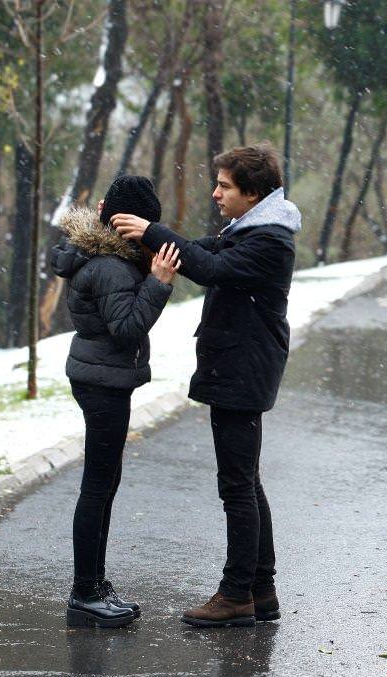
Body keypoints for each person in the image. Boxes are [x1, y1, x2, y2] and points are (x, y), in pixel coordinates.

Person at [112, 144, 299, 628]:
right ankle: (262, 590)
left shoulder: (268, 240)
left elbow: (209, 268)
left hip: (243, 369)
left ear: (253, 193)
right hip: (238, 366)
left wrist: (151, 230)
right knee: (246, 484)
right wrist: (143, 241)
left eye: (225, 186)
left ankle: (237, 594)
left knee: (237, 486)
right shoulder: (248, 231)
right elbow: (198, 251)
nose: (215, 193)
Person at [51, 175, 181, 628]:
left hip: (102, 377)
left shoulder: (108, 257)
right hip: (102, 381)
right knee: (98, 486)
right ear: (128, 223)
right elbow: (126, 328)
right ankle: (84, 593)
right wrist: (159, 283)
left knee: (104, 483)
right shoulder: (109, 266)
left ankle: (94, 584)